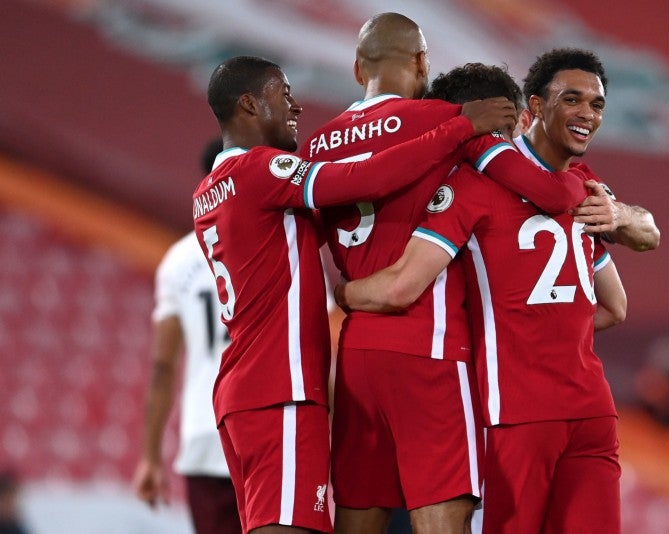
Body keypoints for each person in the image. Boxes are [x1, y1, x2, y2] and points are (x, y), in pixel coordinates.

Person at [299, 13, 602, 534]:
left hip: (359, 352)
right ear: (421, 62)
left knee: (358, 517)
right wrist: (590, 190)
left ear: (356, 69)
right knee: (442, 521)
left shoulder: (318, 146)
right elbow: (550, 192)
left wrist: (344, 291)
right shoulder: (445, 123)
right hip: (430, 347)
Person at [192, 55, 519, 534]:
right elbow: (364, 179)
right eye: (282, 94)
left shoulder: (211, 189)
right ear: (248, 103)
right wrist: (459, 125)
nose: (296, 106)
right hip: (280, 390)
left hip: (243, 393)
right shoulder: (261, 170)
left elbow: (315, 229)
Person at [132, 138, 240, 534]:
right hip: (270, 425)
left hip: (205, 428)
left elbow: (163, 365)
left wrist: (150, 456)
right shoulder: (282, 239)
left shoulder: (179, 259)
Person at [516, 48, 661, 252]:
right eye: (572, 100)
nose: (588, 115)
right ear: (537, 106)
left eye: (597, 106)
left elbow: (649, 237)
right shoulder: (492, 165)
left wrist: (620, 214)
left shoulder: (585, 184)